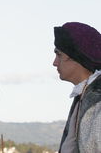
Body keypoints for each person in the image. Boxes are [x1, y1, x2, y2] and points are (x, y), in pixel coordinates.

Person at [53, 22, 101, 153]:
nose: (54, 62)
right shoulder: (84, 94)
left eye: (59, 55)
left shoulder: (97, 102)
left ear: (76, 57)